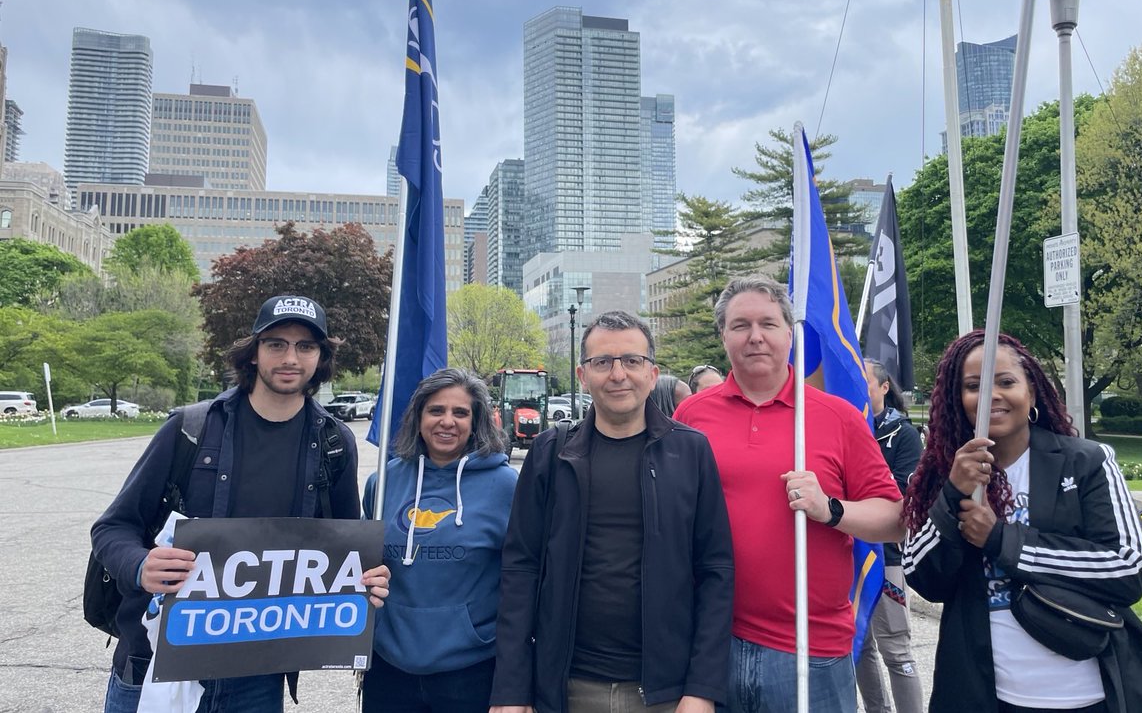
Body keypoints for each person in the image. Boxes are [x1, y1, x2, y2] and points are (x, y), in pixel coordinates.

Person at [91, 294, 391, 713]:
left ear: (320, 358)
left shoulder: (334, 442)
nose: (291, 358)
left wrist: (366, 581)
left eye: (305, 346)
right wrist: (141, 566)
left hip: (257, 675)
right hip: (156, 661)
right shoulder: (191, 428)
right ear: (253, 353)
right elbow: (112, 528)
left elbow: (343, 553)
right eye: (276, 344)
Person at [903, 329, 1142, 713]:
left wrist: (1002, 540)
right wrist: (953, 493)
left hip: (1087, 691)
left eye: (1006, 381)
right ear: (958, 400)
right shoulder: (942, 476)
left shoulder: (1087, 461)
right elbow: (922, 575)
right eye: (973, 386)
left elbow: (1128, 567)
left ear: (1032, 390)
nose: (991, 395)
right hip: (986, 693)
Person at [675, 275, 904, 713]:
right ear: (723, 335)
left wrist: (831, 510)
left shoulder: (836, 416)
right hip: (711, 643)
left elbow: (895, 518)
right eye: (740, 325)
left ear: (789, 333)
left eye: (768, 323)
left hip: (810, 649)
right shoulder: (692, 415)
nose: (755, 337)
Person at [489, 310, 734, 713]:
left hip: (666, 692)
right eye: (602, 362)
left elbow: (715, 571)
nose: (618, 374)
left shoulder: (690, 452)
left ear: (652, 374)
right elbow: (521, 569)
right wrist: (511, 690)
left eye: (631, 361)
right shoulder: (551, 454)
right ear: (583, 376)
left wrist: (703, 687)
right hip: (568, 686)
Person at [361, 368, 517, 713]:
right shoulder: (383, 483)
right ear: (418, 417)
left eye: (460, 412)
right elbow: (358, 563)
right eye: (436, 411)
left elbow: (522, 581)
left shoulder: (507, 486)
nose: (448, 421)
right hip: (389, 669)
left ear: (476, 421)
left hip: (470, 671)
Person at [854, 359, 924, 713]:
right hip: (847, 552)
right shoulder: (846, 425)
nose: (857, 386)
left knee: (895, 649)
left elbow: (901, 495)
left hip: (887, 555)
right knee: (860, 646)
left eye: (864, 381)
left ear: (884, 388)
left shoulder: (903, 434)